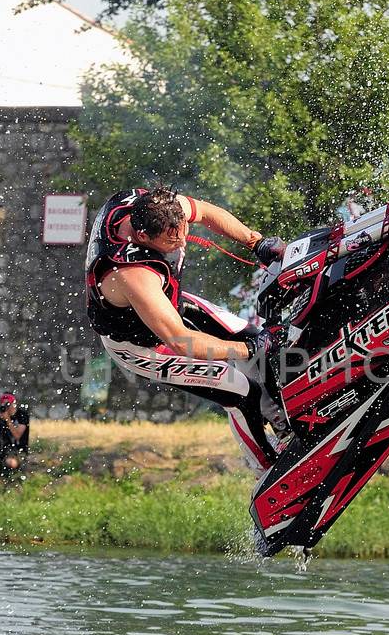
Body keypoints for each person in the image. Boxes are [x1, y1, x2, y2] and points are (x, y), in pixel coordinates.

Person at [85, 187, 289, 475]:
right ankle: (268, 469)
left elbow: (205, 212)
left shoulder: (158, 207)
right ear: (142, 237)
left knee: (254, 337)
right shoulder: (132, 275)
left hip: (169, 306)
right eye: (172, 240)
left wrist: (257, 243)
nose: (181, 241)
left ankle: (285, 425)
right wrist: (246, 351)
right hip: (141, 346)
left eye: (182, 231)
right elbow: (180, 341)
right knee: (241, 391)